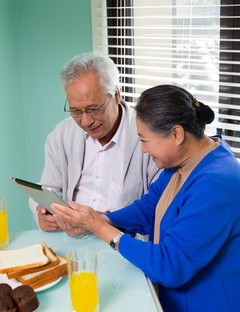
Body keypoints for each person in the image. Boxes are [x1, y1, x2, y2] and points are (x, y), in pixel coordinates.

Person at [51, 84, 240, 312]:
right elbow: (149, 207)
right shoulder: (188, 160)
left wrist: (98, 228)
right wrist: (103, 219)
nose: (142, 149)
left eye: (144, 140)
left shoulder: (215, 184)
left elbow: (169, 265)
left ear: (176, 134)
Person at [29, 52, 160, 234]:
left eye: (93, 109)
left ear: (115, 95)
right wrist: (43, 214)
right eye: (76, 111)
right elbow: (47, 188)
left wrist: (103, 221)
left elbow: (159, 206)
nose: (86, 121)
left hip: (124, 239)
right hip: (71, 238)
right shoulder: (62, 134)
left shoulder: (149, 136)